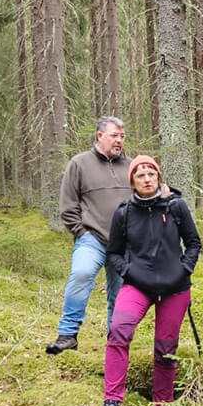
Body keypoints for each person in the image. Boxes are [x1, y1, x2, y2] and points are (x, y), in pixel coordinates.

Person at [97, 156, 201, 406]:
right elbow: (114, 254)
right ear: (132, 181)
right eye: (140, 175)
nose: (146, 179)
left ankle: (162, 405)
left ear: (158, 178)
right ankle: (112, 401)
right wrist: (129, 272)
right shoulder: (124, 212)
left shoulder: (176, 207)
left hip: (175, 289)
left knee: (166, 348)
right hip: (138, 285)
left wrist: (184, 269)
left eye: (151, 174)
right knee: (118, 332)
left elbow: (193, 243)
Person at [47, 116, 132, 354]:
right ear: (100, 135)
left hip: (125, 244)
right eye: (114, 135)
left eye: (122, 136)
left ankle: (116, 341)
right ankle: (67, 335)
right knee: (81, 274)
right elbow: (68, 203)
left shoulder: (132, 166)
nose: (119, 141)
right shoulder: (79, 163)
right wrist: (80, 231)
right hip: (92, 238)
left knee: (121, 294)